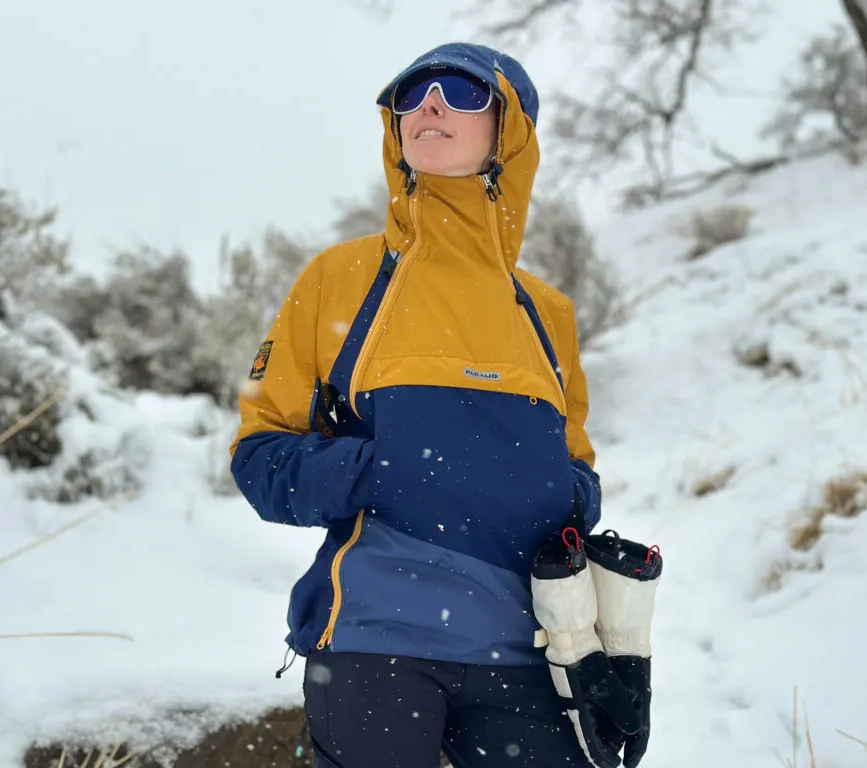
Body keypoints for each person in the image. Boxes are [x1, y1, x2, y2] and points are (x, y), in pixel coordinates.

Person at [230, 42, 605, 768]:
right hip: (374, 643)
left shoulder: (545, 312)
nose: (430, 104)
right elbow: (261, 458)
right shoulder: (338, 280)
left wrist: (546, 491)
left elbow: (578, 480)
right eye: (414, 93)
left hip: (524, 655)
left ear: (510, 130)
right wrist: (391, 471)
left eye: (463, 93)